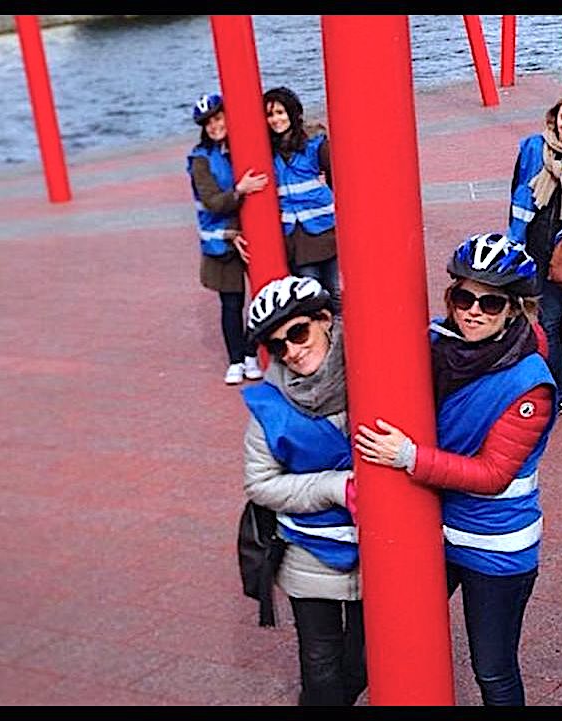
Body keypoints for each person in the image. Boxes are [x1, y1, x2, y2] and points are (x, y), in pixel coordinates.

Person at [354, 233, 556, 706]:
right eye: (464, 297)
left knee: (492, 669)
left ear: (513, 310)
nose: (473, 311)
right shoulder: (438, 342)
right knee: (383, 639)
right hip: (433, 526)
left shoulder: (530, 383)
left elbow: (493, 474)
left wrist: (410, 458)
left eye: (490, 303)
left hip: (495, 544)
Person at [241, 275, 365, 705]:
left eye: (298, 333)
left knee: (367, 657)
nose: (292, 351)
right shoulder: (268, 408)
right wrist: (333, 486)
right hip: (309, 552)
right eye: (278, 346)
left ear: (325, 320)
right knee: (320, 662)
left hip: (383, 547)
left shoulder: (373, 368)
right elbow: (260, 482)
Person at [507, 88, 562, 416]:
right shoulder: (533, 147)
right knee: (537, 322)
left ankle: (560, 389)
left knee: (550, 322)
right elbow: (517, 193)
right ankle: (545, 385)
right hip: (533, 251)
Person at [186, 91, 270, 385]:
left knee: (262, 297)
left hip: (248, 234)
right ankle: (236, 359)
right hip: (219, 240)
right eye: (208, 122)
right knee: (231, 303)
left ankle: (250, 352)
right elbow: (212, 202)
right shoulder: (200, 159)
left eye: (218, 118)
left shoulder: (242, 147)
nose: (214, 126)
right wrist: (240, 190)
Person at [264, 86, 341, 308]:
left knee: (336, 290)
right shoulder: (266, 150)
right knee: (311, 292)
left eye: (280, 112)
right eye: (270, 114)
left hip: (325, 227)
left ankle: (341, 339)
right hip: (295, 235)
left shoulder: (314, 143)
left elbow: (337, 176)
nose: (276, 119)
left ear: (292, 112)